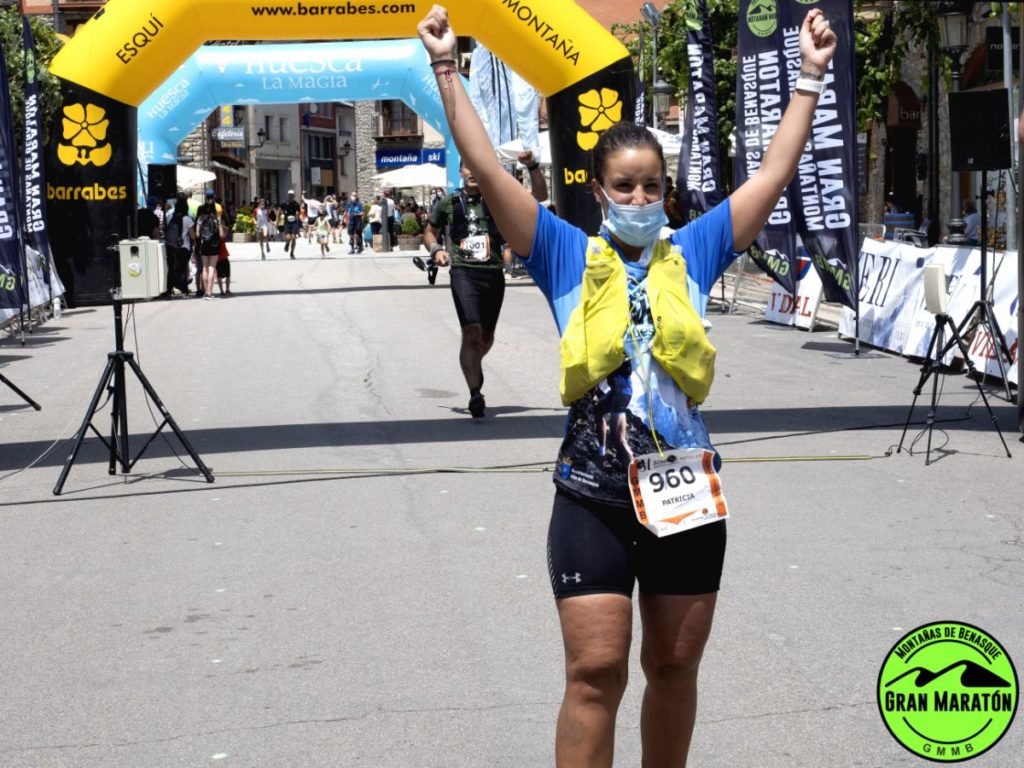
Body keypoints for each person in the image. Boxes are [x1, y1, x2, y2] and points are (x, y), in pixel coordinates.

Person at [417, 5, 836, 765]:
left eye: (651, 187)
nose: (639, 199)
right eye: (624, 186)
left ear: (666, 191)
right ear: (599, 188)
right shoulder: (562, 252)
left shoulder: (695, 249)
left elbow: (772, 175)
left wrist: (809, 74)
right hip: (592, 493)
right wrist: (447, 67)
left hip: (683, 491)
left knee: (673, 668)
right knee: (595, 672)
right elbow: (487, 168)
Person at [194, 189, 223, 300]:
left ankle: (206, 292)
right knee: (211, 268)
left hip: (203, 244)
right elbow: (221, 235)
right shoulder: (216, 218)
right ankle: (210, 293)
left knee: (204, 268)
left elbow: (197, 234)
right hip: (214, 244)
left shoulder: (200, 217)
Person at [281, 189, 301, 258]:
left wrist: (298, 217)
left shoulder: (296, 204)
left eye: (292, 195)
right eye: (289, 195)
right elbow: (280, 211)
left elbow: (299, 212)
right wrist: (277, 221)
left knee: (293, 238)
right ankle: (287, 244)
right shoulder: (284, 203)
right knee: (288, 237)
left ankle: (292, 253)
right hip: (287, 222)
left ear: (293, 196)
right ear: (288, 195)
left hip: (294, 222)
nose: (290, 196)